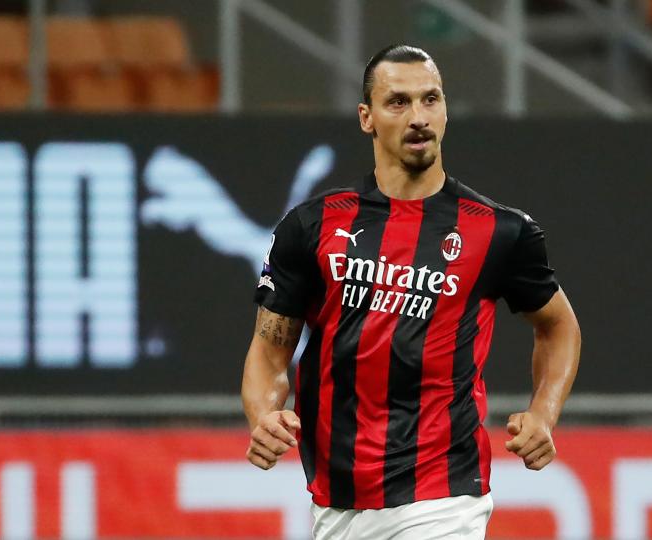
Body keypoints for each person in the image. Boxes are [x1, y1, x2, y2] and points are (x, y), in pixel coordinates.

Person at [242, 44, 581, 540]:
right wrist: (264, 416)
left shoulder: (499, 232)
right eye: (398, 102)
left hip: (443, 494)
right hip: (337, 502)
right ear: (367, 117)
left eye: (431, 99)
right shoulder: (312, 225)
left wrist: (544, 413)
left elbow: (559, 326)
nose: (418, 116)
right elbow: (270, 349)